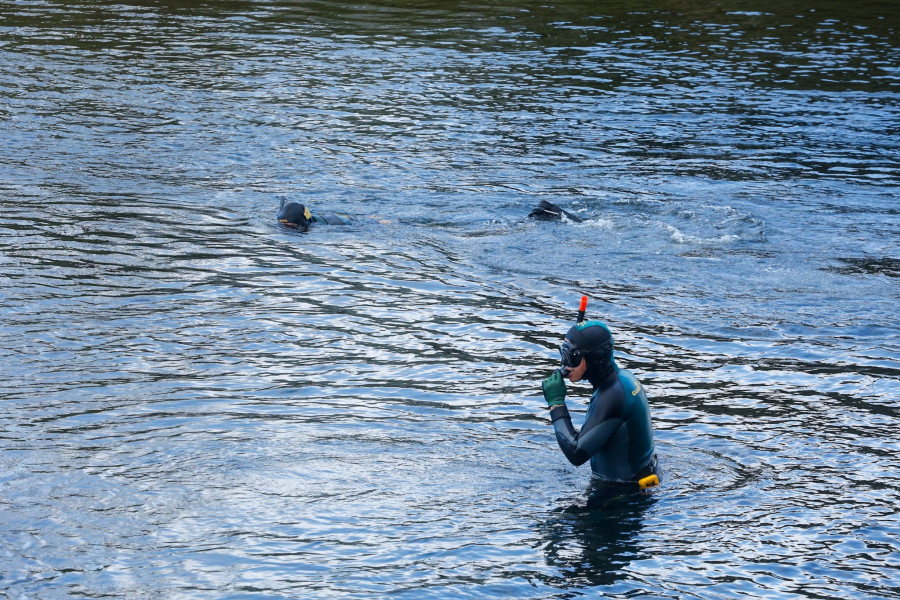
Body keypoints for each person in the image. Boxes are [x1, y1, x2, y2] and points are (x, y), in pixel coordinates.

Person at [541, 320, 659, 487]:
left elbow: (576, 453)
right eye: (563, 354)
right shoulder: (622, 380)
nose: (565, 364)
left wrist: (556, 403)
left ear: (594, 358)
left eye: (572, 357)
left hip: (625, 496)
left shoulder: (613, 396)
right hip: (639, 481)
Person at [277, 197, 351, 231]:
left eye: (287, 227)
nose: (283, 228)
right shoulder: (305, 220)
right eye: (282, 224)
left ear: (300, 225)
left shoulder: (331, 227)